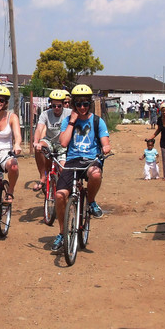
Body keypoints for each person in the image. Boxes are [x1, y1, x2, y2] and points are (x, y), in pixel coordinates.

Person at [51, 84, 111, 252]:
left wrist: (106, 148)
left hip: (91, 160)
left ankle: (91, 202)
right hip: (72, 161)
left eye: (85, 104)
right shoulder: (67, 121)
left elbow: (105, 143)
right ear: (73, 104)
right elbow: (63, 142)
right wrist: (72, 121)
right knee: (60, 195)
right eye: (78, 104)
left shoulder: (98, 121)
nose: (82, 107)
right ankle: (62, 233)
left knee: (96, 174)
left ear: (90, 103)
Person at [31, 89, 71, 192]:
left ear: (63, 104)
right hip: (50, 141)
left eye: (59, 106)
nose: (56, 108)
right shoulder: (45, 114)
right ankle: (42, 177)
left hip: (63, 144)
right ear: (50, 105)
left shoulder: (69, 113)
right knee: (39, 147)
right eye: (54, 106)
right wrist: (36, 142)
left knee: (63, 169)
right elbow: (39, 128)